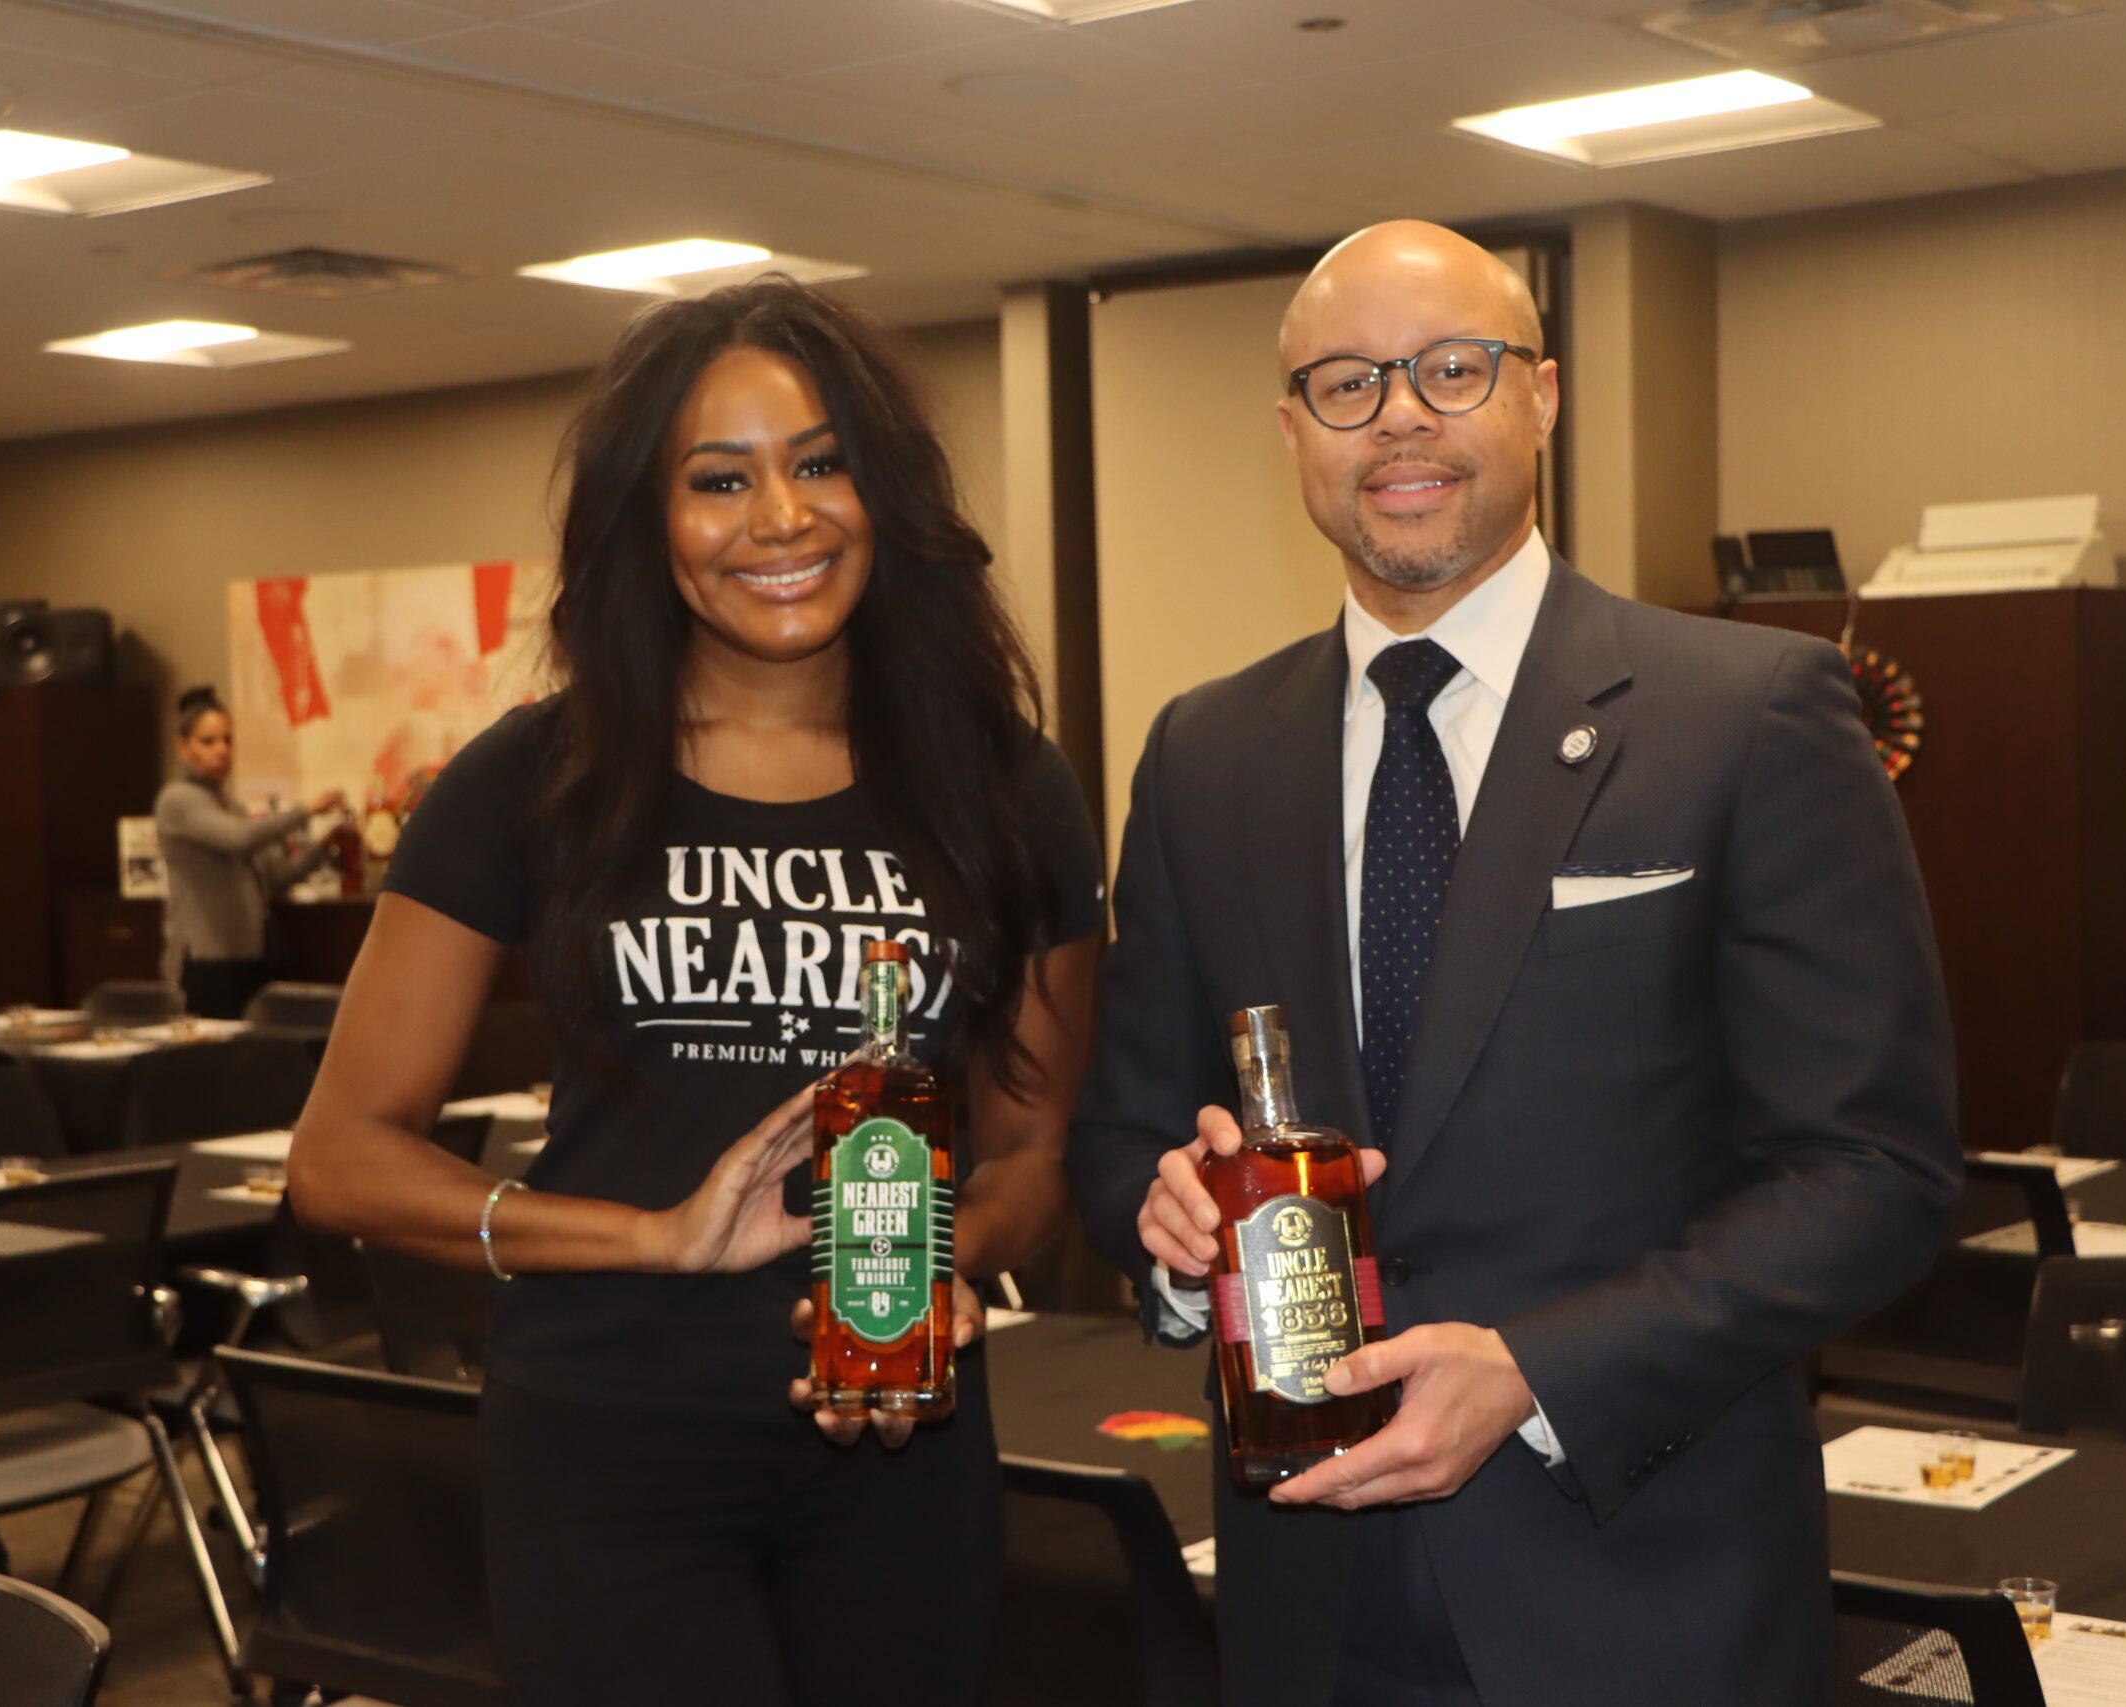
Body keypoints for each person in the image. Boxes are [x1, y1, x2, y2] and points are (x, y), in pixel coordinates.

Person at [1066, 221, 1961, 1707]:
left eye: (1451, 368)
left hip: (1641, 1589)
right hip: (1304, 1599)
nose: (1401, 413)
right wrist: (1164, 1218)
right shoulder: (1203, 750)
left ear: (1541, 396)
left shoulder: (1747, 711)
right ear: (1292, 432)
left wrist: (1544, 1369)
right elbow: (1119, 1132)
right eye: (1347, 382)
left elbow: (1874, 1168)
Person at [288, 279, 1103, 1707]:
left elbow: (1038, 1146)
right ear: (647, 524)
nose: (779, 516)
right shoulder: (530, 780)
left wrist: (934, 1262)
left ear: (883, 489)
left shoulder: (1009, 786)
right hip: (605, 1440)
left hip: (895, 1439)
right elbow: (342, 1153)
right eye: (718, 479)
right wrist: (654, 1235)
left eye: (821, 459)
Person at [153, 686, 344, 1019]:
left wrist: (324, 847)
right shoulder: (177, 800)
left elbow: (275, 877)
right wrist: (306, 810)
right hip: (204, 959)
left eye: (228, 740)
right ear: (183, 747)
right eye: (208, 741)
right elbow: (239, 838)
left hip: (249, 955)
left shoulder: (231, 806)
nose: (222, 750)